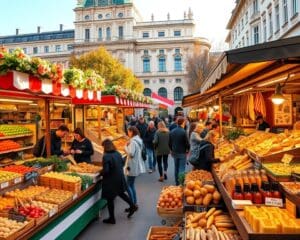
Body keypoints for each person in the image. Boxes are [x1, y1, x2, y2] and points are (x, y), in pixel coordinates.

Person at [101, 139, 137, 224]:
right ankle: (132, 205)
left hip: (111, 180)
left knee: (110, 199)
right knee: (121, 193)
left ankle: (112, 218)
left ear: (105, 147)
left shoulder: (106, 156)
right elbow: (123, 163)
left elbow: (106, 171)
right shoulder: (117, 153)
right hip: (119, 177)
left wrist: (101, 172)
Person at [124, 126, 146, 207]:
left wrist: (125, 147)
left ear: (132, 132)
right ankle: (134, 202)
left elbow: (131, 153)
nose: (128, 133)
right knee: (131, 184)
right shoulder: (138, 140)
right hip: (135, 165)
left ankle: (132, 203)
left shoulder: (133, 142)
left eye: (128, 132)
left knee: (128, 185)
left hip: (132, 165)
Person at [169, 117, 190, 185]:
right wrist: (188, 150)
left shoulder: (172, 131)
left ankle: (177, 182)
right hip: (182, 152)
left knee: (176, 167)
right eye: (185, 122)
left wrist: (171, 150)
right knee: (182, 168)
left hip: (175, 152)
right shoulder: (183, 132)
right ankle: (181, 182)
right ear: (183, 123)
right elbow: (187, 143)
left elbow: (169, 142)